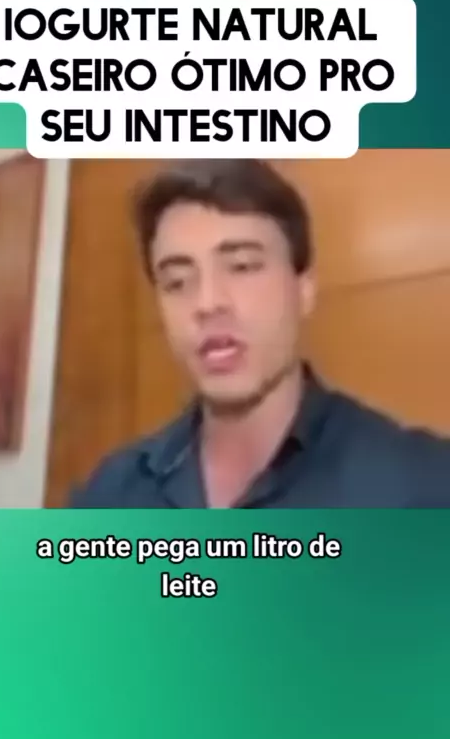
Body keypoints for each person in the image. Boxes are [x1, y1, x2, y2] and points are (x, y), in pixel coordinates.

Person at [70, 159, 450, 508]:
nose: (207, 303)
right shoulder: (111, 494)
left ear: (304, 289)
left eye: (242, 266)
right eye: (177, 282)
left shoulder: (421, 485)